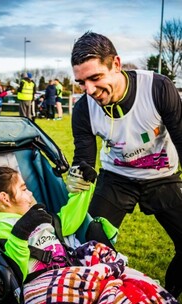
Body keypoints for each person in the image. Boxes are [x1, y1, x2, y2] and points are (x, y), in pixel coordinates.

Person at [68, 31, 182, 299]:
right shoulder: (84, 108)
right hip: (117, 177)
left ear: (116, 64)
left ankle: (170, 292)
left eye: (95, 78)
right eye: (81, 82)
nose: (89, 90)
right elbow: (83, 156)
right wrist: (79, 172)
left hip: (162, 176)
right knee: (88, 246)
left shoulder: (157, 87)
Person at [0, 164, 178, 303]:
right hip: (42, 281)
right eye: (24, 189)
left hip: (70, 270)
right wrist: (21, 232)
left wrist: (84, 189)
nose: (30, 193)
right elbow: (13, 270)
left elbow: (66, 223)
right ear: (5, 198)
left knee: (129, 287)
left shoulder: (36, 214)